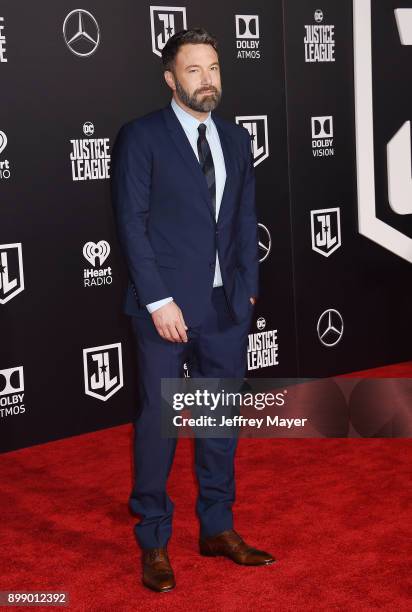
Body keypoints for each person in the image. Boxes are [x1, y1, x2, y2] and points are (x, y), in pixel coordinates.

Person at [111, 27, 275, 593]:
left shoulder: (234, 139)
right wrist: (159, 300)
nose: (208, 80)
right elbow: (131, 223)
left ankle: (217, 528)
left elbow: (246, 216)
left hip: (224, 305)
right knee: (160, 424)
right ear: (169, 78)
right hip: (164, 306)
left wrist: (247, 288)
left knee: (218, 422)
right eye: (194, 70)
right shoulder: (141, 137)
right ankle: (154, 539)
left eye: (214, 68)